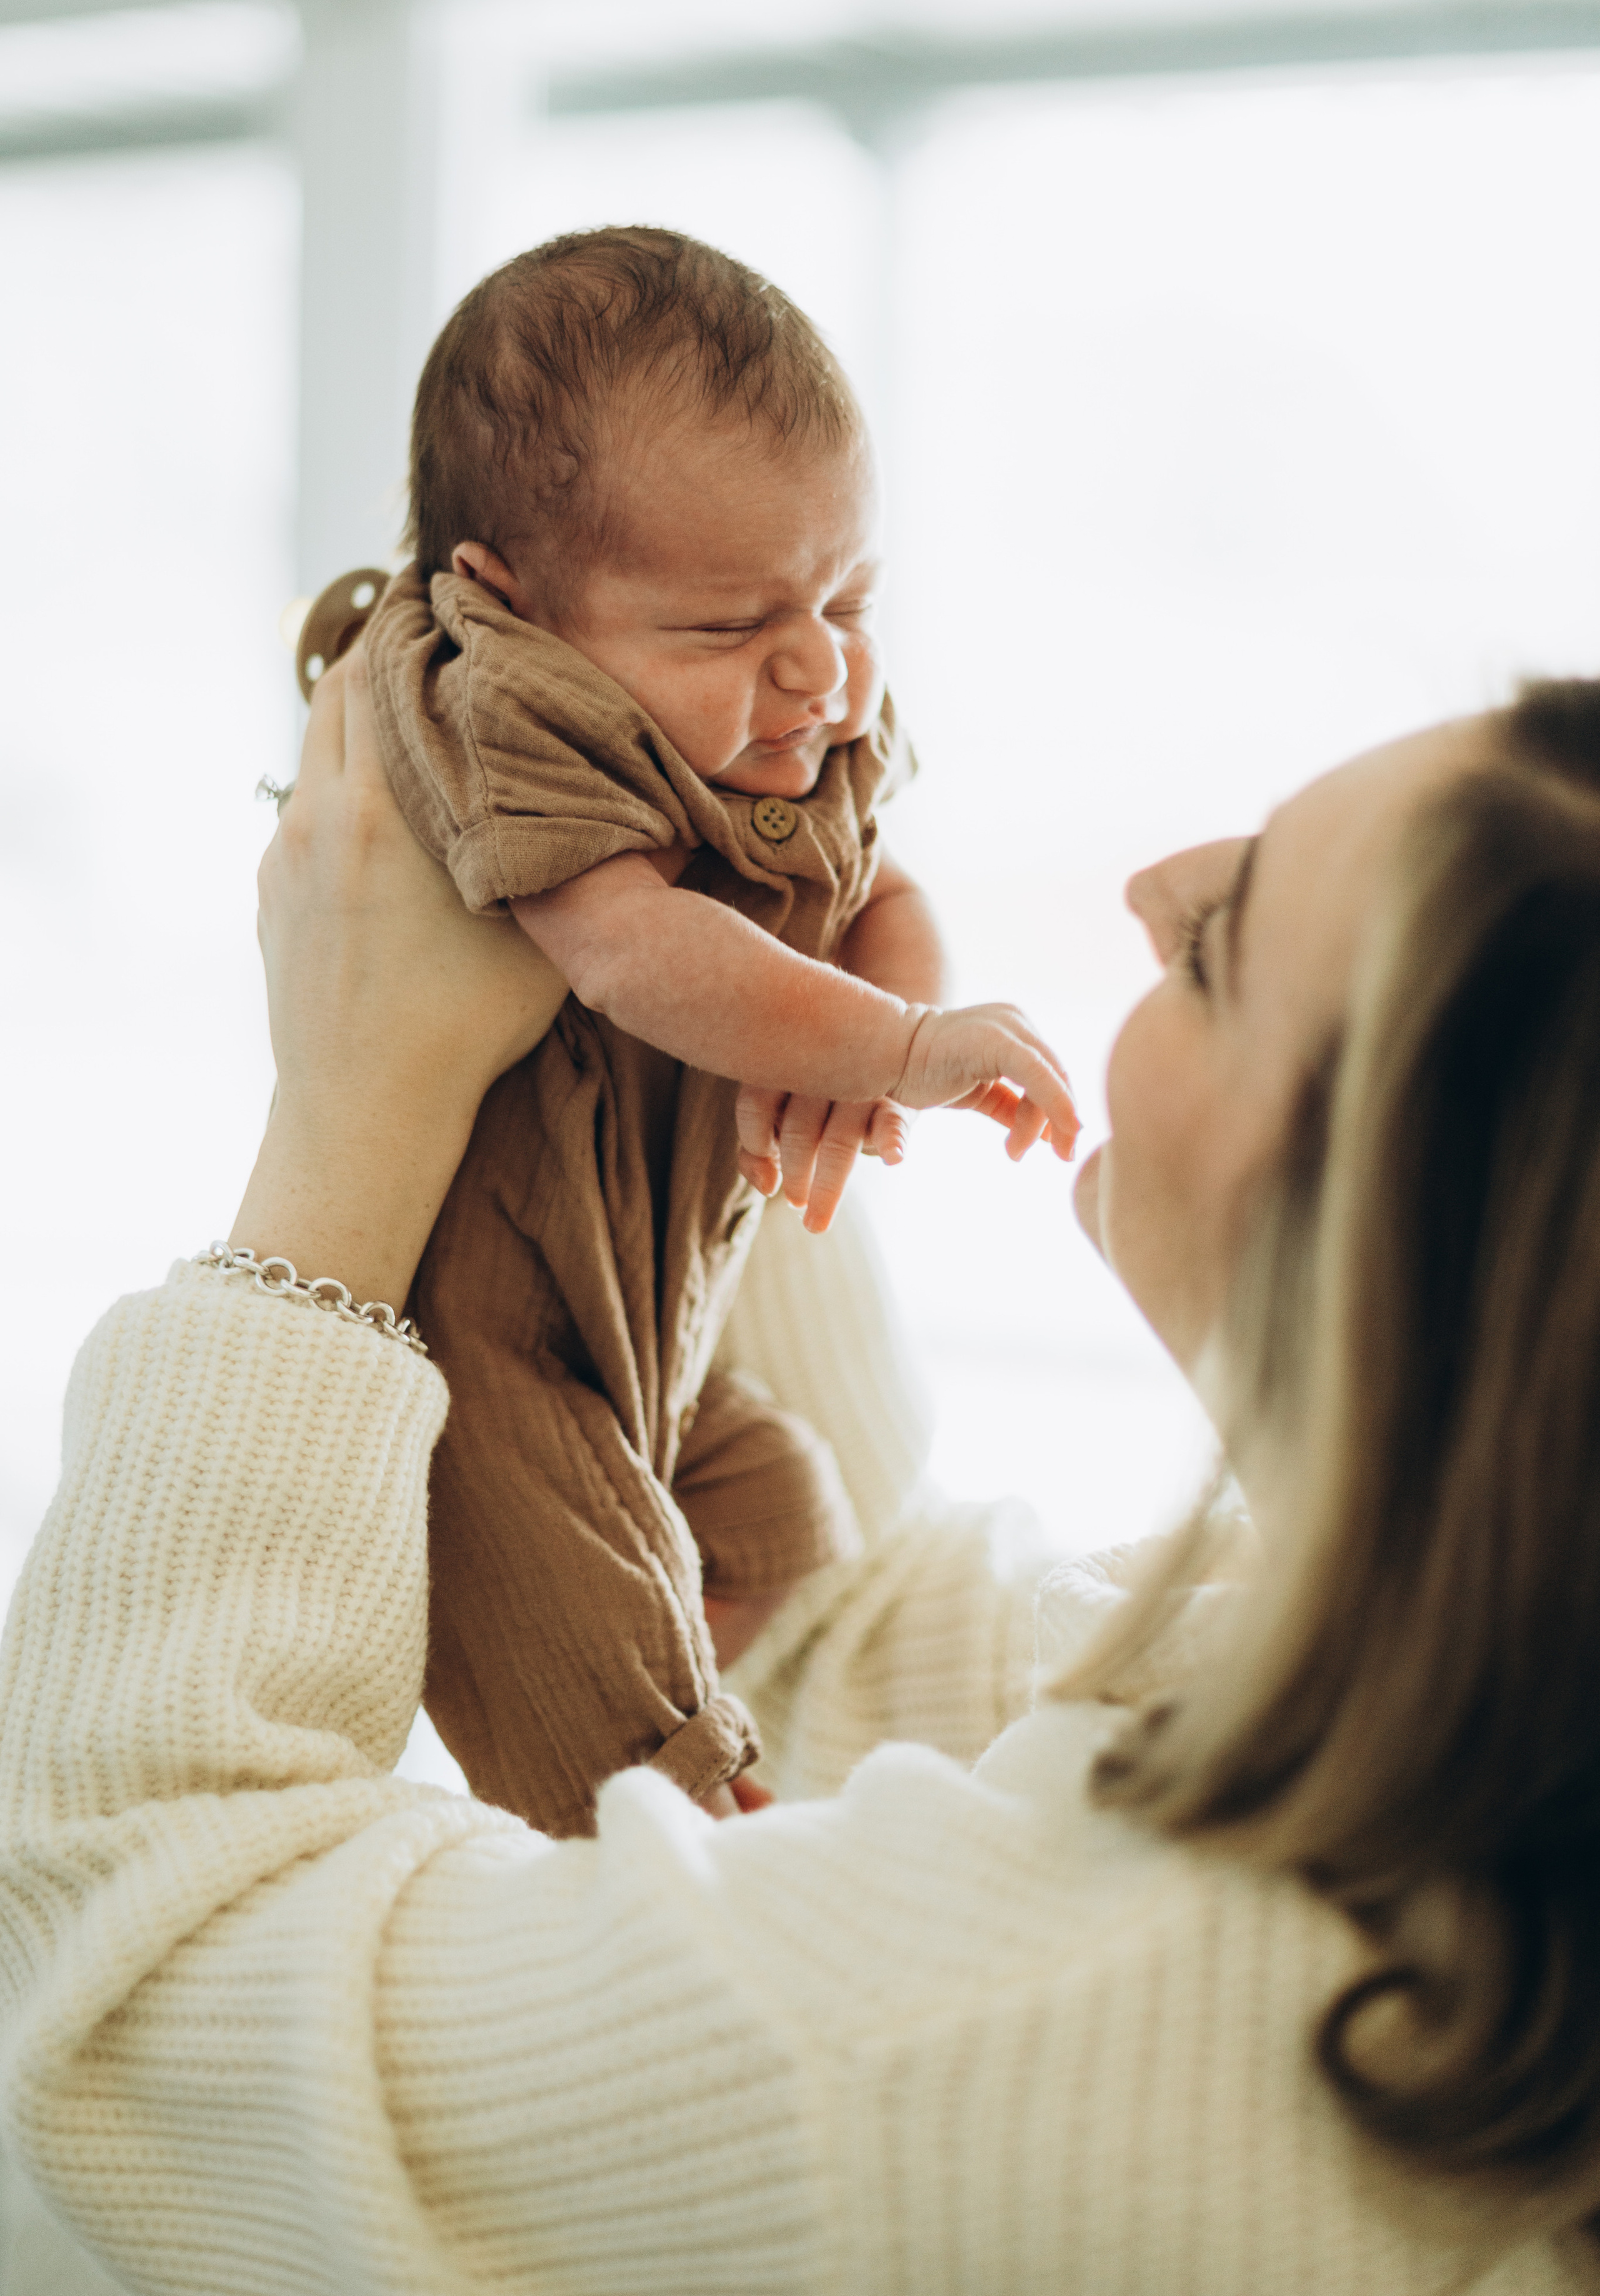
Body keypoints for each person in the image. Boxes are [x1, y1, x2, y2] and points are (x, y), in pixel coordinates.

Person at [3, 659, 1599, 2294]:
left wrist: (358, 1106)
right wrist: (718, 1029)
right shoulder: (1473, 1709)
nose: (1151, 887)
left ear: (1386, 1257)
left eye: (1220, 948)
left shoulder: (1022, 2029)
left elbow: (130, 1990)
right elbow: (823, 1639)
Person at [324, 226, 1078, 1835]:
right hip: (498, 1340)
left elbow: (880, 889)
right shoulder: (501, 706)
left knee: (788, 1525)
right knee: (612, 1691)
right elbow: (626, 946)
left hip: (660, 1328)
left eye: (849, 594)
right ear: (508, 605)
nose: (816, 668)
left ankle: (633, 1732)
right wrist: (891, 1054)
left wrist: (892, 1014)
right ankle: (628, 1809)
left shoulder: (802, 701)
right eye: (726, 629)